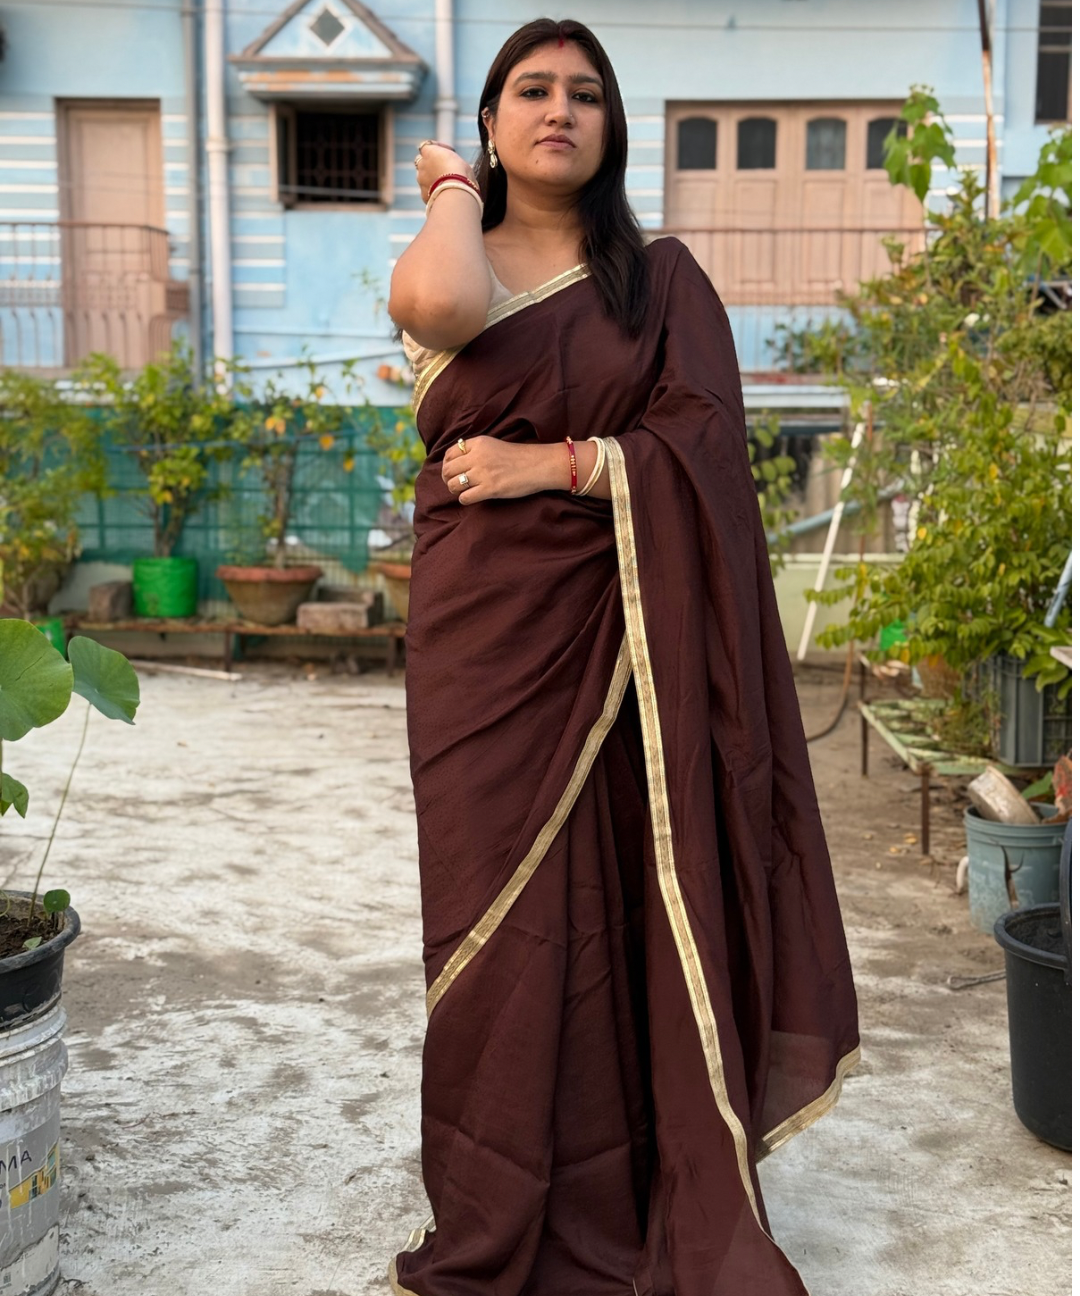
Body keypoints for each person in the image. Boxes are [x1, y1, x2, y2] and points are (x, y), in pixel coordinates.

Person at [386, 17, 861, 1296]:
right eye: (530, 90)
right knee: (494, 925)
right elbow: (437, 305)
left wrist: (568, 461)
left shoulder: (660, 280)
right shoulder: (457, 256)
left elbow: (701, 441)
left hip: (635, 638)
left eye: (586, 94)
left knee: (635, 905)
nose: (560, 109)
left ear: (614, 128)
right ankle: (497, 1201)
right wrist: (447, 190)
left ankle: (643, 1180)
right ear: (489, 121)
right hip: (488, 647)